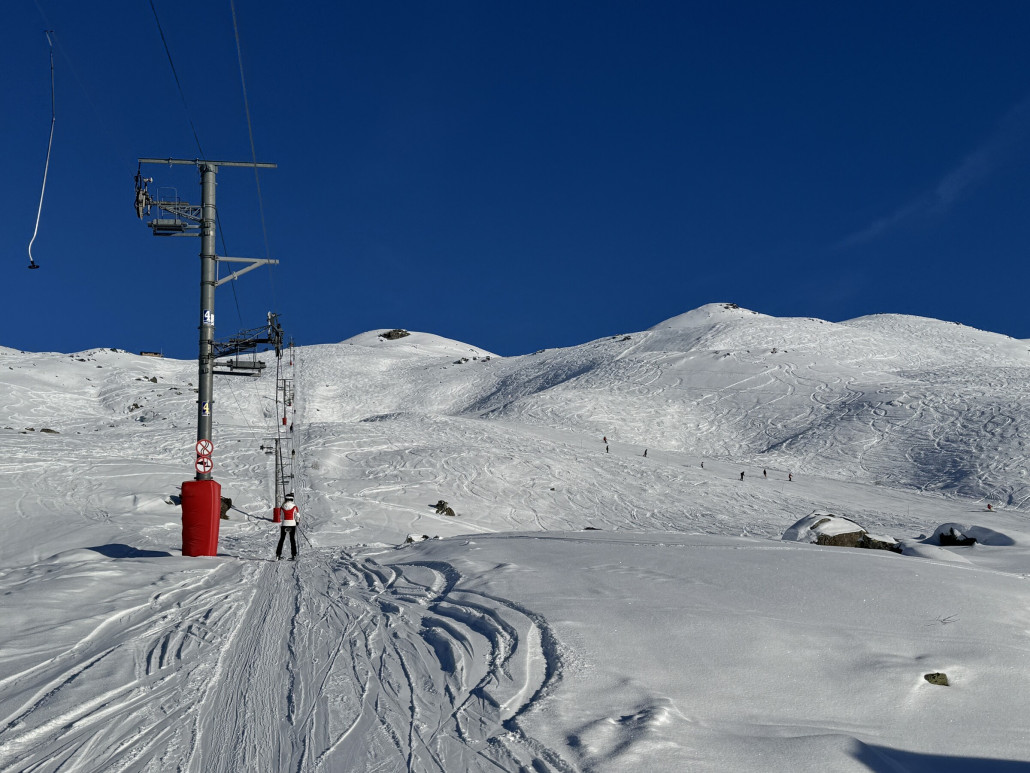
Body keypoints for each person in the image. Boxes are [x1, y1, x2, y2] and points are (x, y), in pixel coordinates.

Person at [276, 492, 299, 560]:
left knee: (282, 539)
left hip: (284, 524)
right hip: (292, 524)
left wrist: (283, 520)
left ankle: (278, 554)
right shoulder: (294, 507)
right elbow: (297, 515)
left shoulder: (282, 507)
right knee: (292, 539)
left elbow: (281, 516)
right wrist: (297, 521)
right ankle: (294, 555)